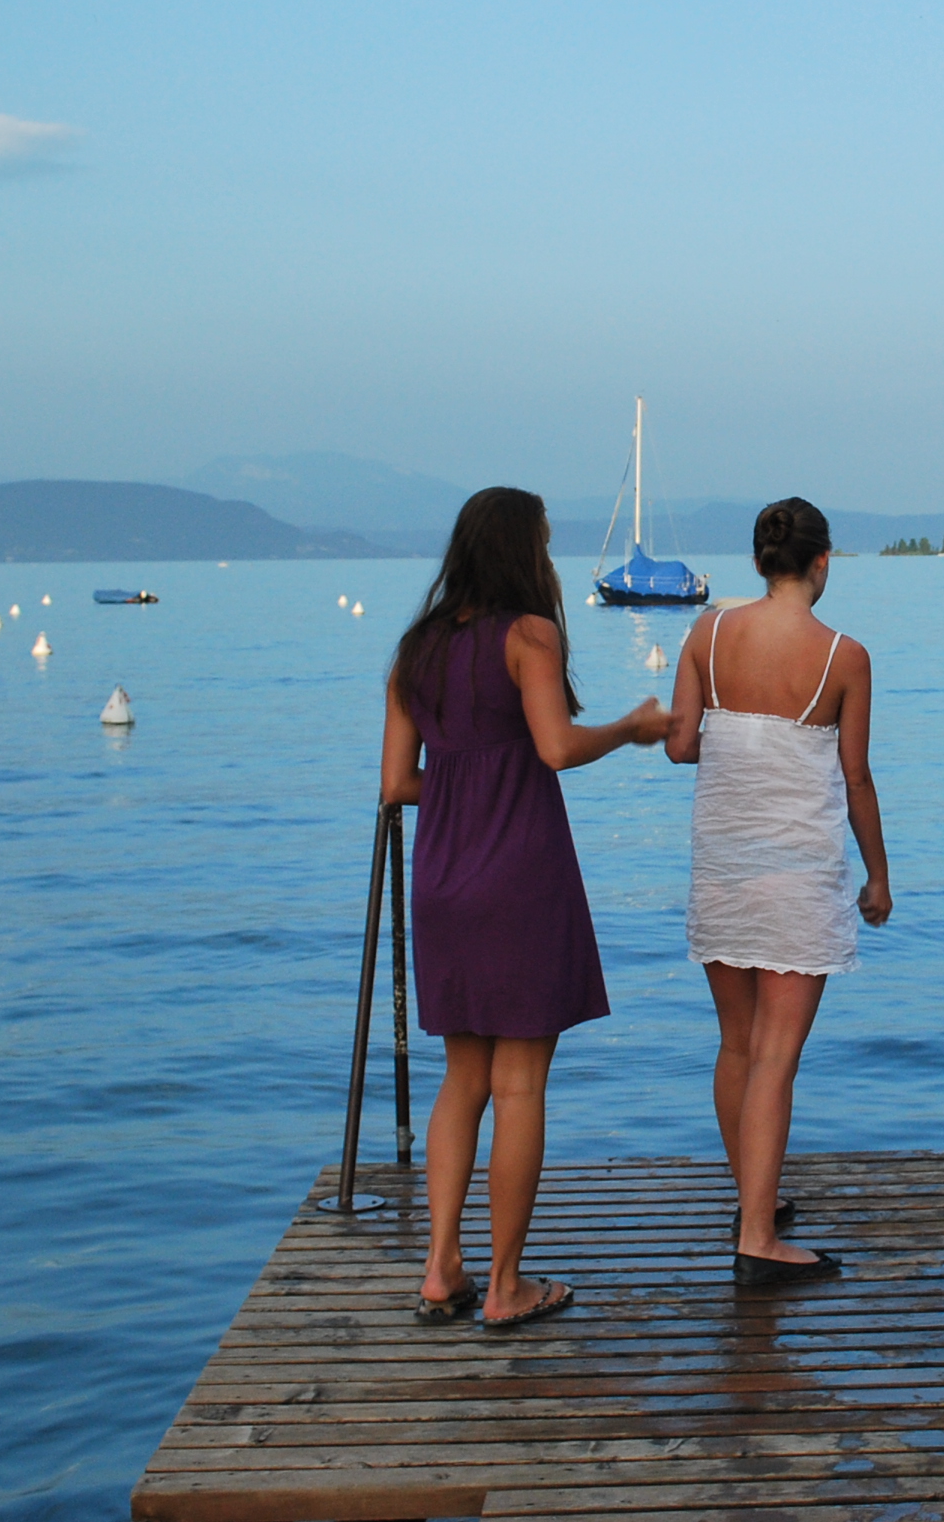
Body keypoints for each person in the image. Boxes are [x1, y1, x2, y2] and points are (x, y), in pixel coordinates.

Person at [380, 487, 669, 1330]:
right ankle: (505, 1286)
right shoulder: (529, 636)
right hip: (519, 875)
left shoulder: (415, 651)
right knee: (519, 1085)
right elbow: (556, 748)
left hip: (442, 879)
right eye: (541, 543)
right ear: (520, 552)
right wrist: (630, 727)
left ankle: (442, 1268)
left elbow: (398, 783)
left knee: (461, 1079)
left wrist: (464, 782)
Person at [663, 497, 891, 1285]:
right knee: (776, 1058)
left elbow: (680, 746)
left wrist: (737, 738)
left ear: (760, 562)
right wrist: (879, 876)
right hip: (797, 875)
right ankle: (758, 1238)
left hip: (722, 867)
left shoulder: (707, 634)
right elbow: (856, 778)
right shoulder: (844, 656)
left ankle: (751, 1202)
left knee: (737, 1045)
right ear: (821, 562)